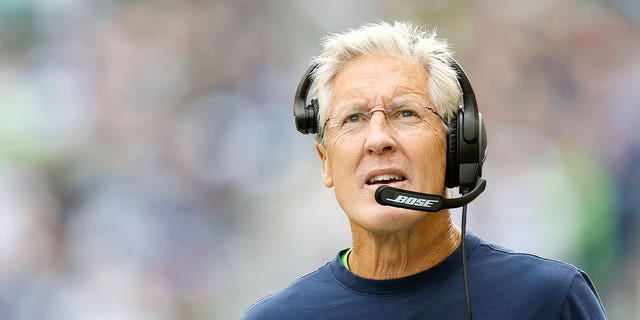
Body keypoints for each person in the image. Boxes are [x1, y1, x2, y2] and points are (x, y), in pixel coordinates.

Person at [243, 21, 606, 320]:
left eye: (406, 113)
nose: (378, 139)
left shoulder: (549, 299)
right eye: (354, 118)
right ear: (325, 162)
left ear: (455, 147)